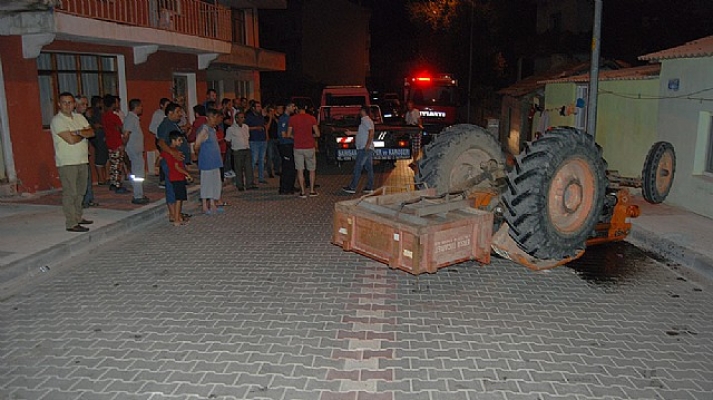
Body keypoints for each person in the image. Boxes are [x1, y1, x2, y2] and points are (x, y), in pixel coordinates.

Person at [50, 92, 95, 232]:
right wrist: (82, 133)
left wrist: (78, 133)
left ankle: (78, 216)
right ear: (59, 104)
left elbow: (91, 132)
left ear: (74, 104)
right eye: (64, 102)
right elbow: (70, 140)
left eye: (70, 102)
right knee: (71, 192)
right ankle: (71, 223)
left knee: (81, 191)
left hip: (82, 160)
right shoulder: (58, 120)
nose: (67, 105)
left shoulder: (79, 117)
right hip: (67, 162)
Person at [156, 102, 188, 222]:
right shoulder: (165, 125)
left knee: (177, 188)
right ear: (170, 113)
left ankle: (176, 213)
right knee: (172, 188)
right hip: (170, 163)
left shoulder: (173, 124)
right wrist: (173, 152)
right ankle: (173, 215)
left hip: (177, 161)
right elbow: (161, 142)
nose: (180, 114)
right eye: (178, 112)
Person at [194, 108, 224, 215]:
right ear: (208, 118)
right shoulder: (204, 130)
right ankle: (204, 206)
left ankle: (212, 203)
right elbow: (196, 145)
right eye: (213, 118)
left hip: (215, 161)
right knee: (206, 183)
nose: (215, 120)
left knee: (215, 183)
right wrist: (199, 156)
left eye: (216, 118)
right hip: (207, 162)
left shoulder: (213, 130)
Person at [287, 103, 320, 198]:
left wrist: (296, 137)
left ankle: (302, 191)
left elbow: (289, 134)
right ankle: (312, 191)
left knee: (300, 170)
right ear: (305, 108)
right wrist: (310, 136)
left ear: (297, 109)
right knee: (311, 169)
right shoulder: (311, 118)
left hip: (298, 147)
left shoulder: (292, 119)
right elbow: (317, 133)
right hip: (309, 146)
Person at [161, 131, 193, 226]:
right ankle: (176, 218)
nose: (181, 142)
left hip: (172, 176)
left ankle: (175, 216)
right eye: (179, 140)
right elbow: (177, 167)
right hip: (177, 177)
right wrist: (187, 174)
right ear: (173, 141)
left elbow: (159, 159)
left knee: (173, 195)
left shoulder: (166, 152)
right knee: (178, 198)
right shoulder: (175, 152)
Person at [343, 106, 375, 194]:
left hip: (364, 148)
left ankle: (352, 187)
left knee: (358, 167)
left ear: (363, 111)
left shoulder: (365, 120)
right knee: (369, 168)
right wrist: (351, 133)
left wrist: (367, 145)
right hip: (366, 148)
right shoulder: (366, 121)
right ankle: (369, 187)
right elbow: (363, 132)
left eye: (360, 110)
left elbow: (371, 132)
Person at [124, 98, 150, 205]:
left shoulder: (134, 118)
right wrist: (124, 145)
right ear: (136, 107)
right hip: (134, 149)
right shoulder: (131, 118)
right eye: (140, 106)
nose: (142, 108)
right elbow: (126, 134)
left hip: (136, 149)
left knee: (138, 172)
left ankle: (139, 193)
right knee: (138, 173)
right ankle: (138, 195)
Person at [102, 94, 129, 193]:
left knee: (113, 164)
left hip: (109, 142)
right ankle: (117, 185)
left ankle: (113, 183)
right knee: (118, 164)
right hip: (117, 142)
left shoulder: (104, 116)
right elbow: (120, 128)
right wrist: (124, 136)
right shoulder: (114, 116)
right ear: (113, 104)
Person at [75, 95, 98, 208]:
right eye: (83, 104)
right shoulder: (73, 118)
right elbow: (74, 135)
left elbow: (91, 132)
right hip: (75, 153)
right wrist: (82, 133)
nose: (86, 106)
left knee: (87, 176)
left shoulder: (83, 118)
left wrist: (82, 133)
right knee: (80, 178)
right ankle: (82, 200)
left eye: (86, 104)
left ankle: (88, 199)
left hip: (84, 151)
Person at [225, 111, 257, 191]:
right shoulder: (231, 129)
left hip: (246, 149)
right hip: (237, 150)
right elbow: (227, 140)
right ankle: (240, 185)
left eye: (243, 117)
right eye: (241, 117)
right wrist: (233, 147)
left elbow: (247, 137)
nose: (243, 119)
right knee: (238, 168)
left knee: (249, 168)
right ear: (236, 119)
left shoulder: (246, 127)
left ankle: (249, 184)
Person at [87, 95, 108, 186]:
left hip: (97, 137)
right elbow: (96, 125)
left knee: (103, 156)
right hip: (98, 137)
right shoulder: (94, 112)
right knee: (101, 156)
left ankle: (104, 178)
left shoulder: (95, 112)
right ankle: (102, 179)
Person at [245, 100, 268, 184]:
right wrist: (255, 128)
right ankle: (250, 179)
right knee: (253, 160)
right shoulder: (249, 116)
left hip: (262, 140)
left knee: (262, 160)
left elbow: (264, 126)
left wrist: (266, 137)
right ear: (253, 108)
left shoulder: (260, 116)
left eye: (260, 106)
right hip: (254, 140)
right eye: (258, 107)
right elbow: (245, 128)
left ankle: (261, 178)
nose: (260, 108)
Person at [149, 98, 171, 183]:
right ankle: (163, 179)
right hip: (160, 139)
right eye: (166, 105)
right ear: (162, 105)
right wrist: (160, 133)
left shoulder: (168, 114)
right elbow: (151, 127)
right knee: (163, 157)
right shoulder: (157, 114)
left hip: (168, 139)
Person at [278, 102, 296, 194]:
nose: (294, 108)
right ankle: (284, 188)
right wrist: (295, 137)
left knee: (292, 167)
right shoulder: (284, 119)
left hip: (291, 144)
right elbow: (283, 134)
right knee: (287, 167)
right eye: (293, 106)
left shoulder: (290, 118)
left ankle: (290, 186)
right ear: (287, 107)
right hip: (285, 145)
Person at [265, 105, 281, 178]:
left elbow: (280, 125)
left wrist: (274, 118)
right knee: (270, 156)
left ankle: (277, 170)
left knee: (278, 156)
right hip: (270, 139)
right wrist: (270, 119)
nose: (272, 112)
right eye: (270, 111)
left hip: (277, 138)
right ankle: (270, 172)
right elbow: (267, 128)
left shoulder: (277, 118)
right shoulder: (266, 118)